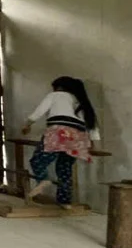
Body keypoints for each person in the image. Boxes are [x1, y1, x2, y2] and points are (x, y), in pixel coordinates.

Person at [22, 76, 99, 207]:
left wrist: (27, 124)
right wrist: (93, 143)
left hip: (59, 133)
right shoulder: (81, 101)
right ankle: (65, 201)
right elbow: (92, 124)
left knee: (37, 161)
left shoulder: (56, 95)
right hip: (77, 137)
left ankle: (43, 180)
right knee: (64, 168)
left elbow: (39, 111)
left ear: (60, 87)